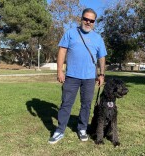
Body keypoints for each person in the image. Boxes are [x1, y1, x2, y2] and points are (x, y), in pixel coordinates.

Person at [48, 8, 107, 144]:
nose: (88, 22)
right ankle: (60, 130)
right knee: (66, 104)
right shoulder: (70, 33)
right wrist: (59, 71)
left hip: (89, 78)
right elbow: (62, 51)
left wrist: (102, 74)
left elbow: (102, 57)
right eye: (86, 19)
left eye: (91, 20)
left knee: (86, 104)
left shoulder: (98, 38)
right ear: (81, 19)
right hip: (71, 76)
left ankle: (82, 128)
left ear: (94, 22)